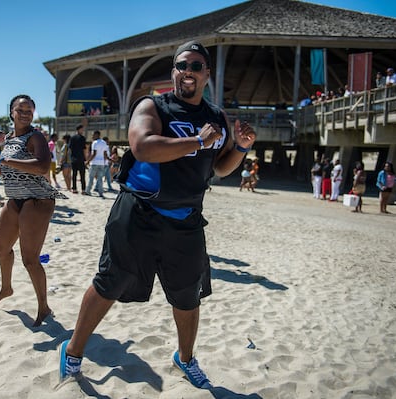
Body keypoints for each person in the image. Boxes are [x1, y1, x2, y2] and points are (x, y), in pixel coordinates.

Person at [57, 41, 256, 389]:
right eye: (182, 65)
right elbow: (143, 146)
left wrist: (240, 148)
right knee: (109, 283)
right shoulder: (154, 105)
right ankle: (73, 350)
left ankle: (186, 358)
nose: (188, 71)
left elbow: (221, 168)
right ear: (174, 71)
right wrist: (195, 141)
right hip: (139, 212)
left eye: (196, 66)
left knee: (187, 294)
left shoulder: (216, 117)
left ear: (207, 74)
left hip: (187, 220)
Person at [0, 94, 67, 327]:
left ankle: (44, 307)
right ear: (11, 112)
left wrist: (7, 163)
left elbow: (41, 166)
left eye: (29, 110)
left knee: (30, 259)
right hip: (15, 198)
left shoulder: (36, 136)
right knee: (1, 247)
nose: (24, 113)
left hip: (38, 199)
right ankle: (6, 288)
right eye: (20, 109)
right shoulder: (8, 138)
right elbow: (12, 164)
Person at [83, 130, 109, 198]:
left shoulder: (95, 142)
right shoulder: (104, 143)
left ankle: (88, 191)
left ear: (97, 135)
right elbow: (105, 154)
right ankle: (101, 193)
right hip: (101, 163)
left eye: (93, 135)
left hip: (94, 163)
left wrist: (88, 161)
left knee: (91, 178)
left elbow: (94, 154)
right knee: (100, 179)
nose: (92, 136)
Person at [69, 124, 86, 193]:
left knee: (74, 174)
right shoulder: (82, 138)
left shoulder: (72, 138)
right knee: (82, 175)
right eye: (82, 129)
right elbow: (84, 149)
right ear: (78, 129)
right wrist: (85, 158)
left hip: (74, 158)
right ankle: (83, 189)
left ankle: (74, 189)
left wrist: (71, 157)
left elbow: (70, 149)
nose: (82, 130)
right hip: (81, 158)